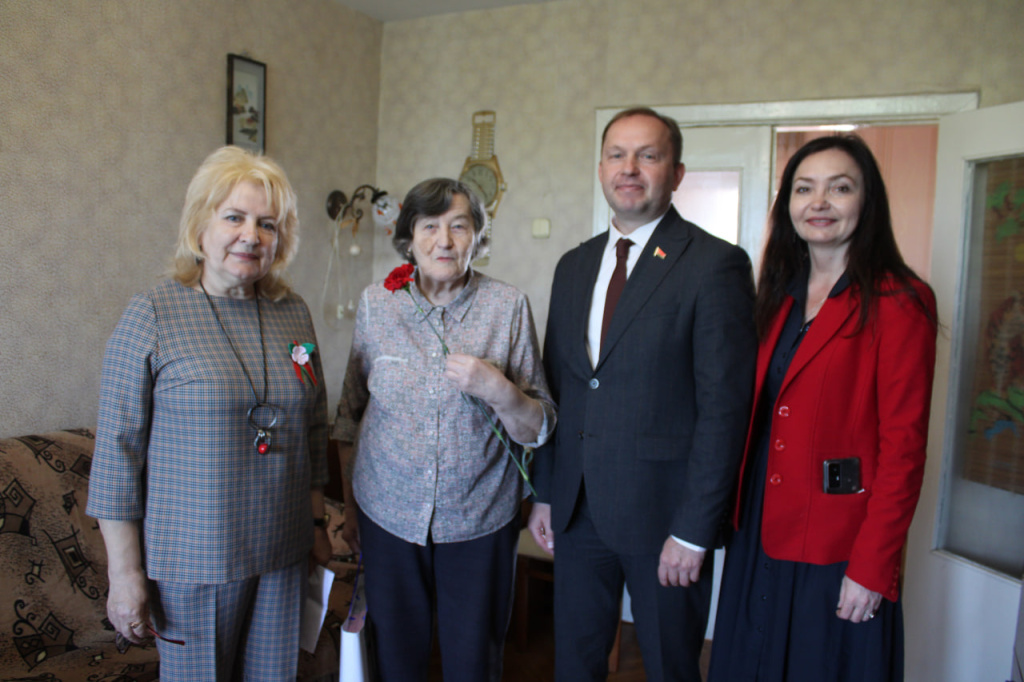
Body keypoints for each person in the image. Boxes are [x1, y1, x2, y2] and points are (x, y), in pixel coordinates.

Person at [528, 107, 757, 681]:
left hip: (665, 519)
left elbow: (725, 411)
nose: (629, 168)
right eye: (617, 155)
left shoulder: (715, 265)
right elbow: (557, 389)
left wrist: (694, 528)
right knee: (574, 666)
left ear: (675, 173)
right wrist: (546, 493)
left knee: (670, 667)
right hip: (576, 511)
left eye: (647, 156)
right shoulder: (573, 265)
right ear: (601, 168)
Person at [87, 146, 330, 680]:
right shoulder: (153, 313)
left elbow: (313, 427)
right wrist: (124, 574)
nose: (251, 236)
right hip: (195, 559)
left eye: (267, 224)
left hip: (285, 550)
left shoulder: (293, 314)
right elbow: (117, 454)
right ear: (200, 226)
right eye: (234, 217)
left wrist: (317, 526)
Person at [707, 134, 938, 682]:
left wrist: (873, 566)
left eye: (840, 188)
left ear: (867, 200)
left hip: (838, 542)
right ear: (787, 203)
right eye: (804, 189)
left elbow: (904, 451)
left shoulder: (900, 300)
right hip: (759, 524)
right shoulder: (775, 295)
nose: (819, 203)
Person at [333, 177, 556, 682]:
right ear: (408, 238)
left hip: (480, 517)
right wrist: (350, 506)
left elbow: (539, 425)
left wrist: (498, 388)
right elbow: (350, 411)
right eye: (429, 227)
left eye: (459, 226)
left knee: (474, 662)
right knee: (396, 660)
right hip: (387, 512)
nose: (445, 241)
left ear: (478, 236)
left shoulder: (507, 307)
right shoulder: (376, 304)